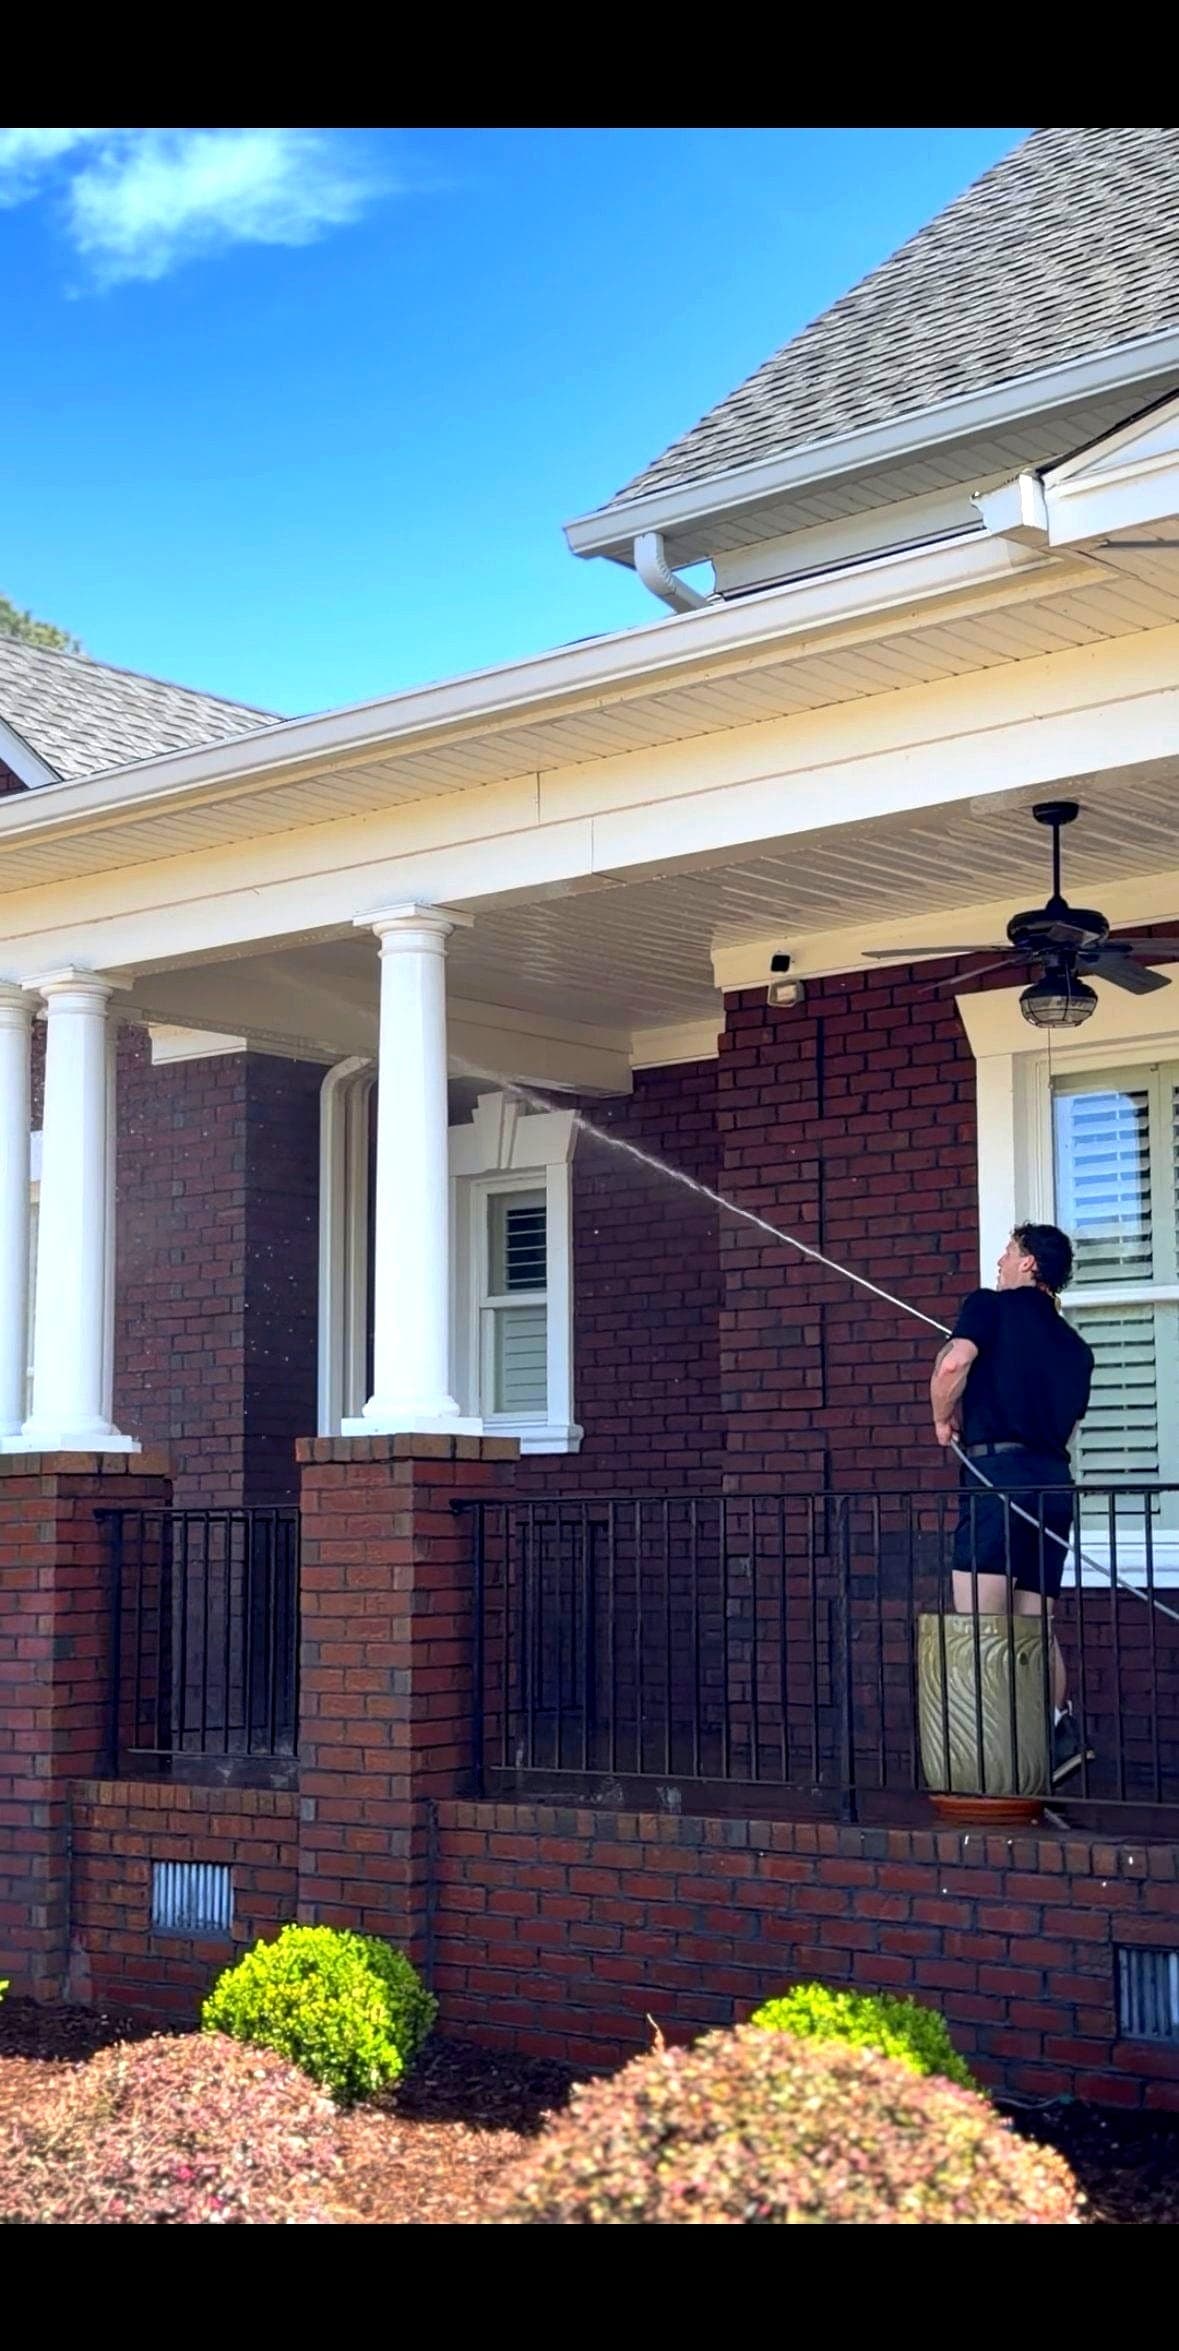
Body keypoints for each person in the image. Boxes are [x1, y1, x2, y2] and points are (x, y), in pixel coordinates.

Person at [929, 1223, 1094, 1785]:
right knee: (1034, 1624)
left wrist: (942, 1418)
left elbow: (953, 1364)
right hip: (1052, 1484)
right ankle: (1054, 1732)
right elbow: (1067, 1428)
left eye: (1008, 1252)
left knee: (982, 1624)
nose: (999, 1261)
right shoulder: (1076, 1348)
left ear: (1029, 1264)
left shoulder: (988, 1307)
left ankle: (992, 1758)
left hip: (997, 1480)